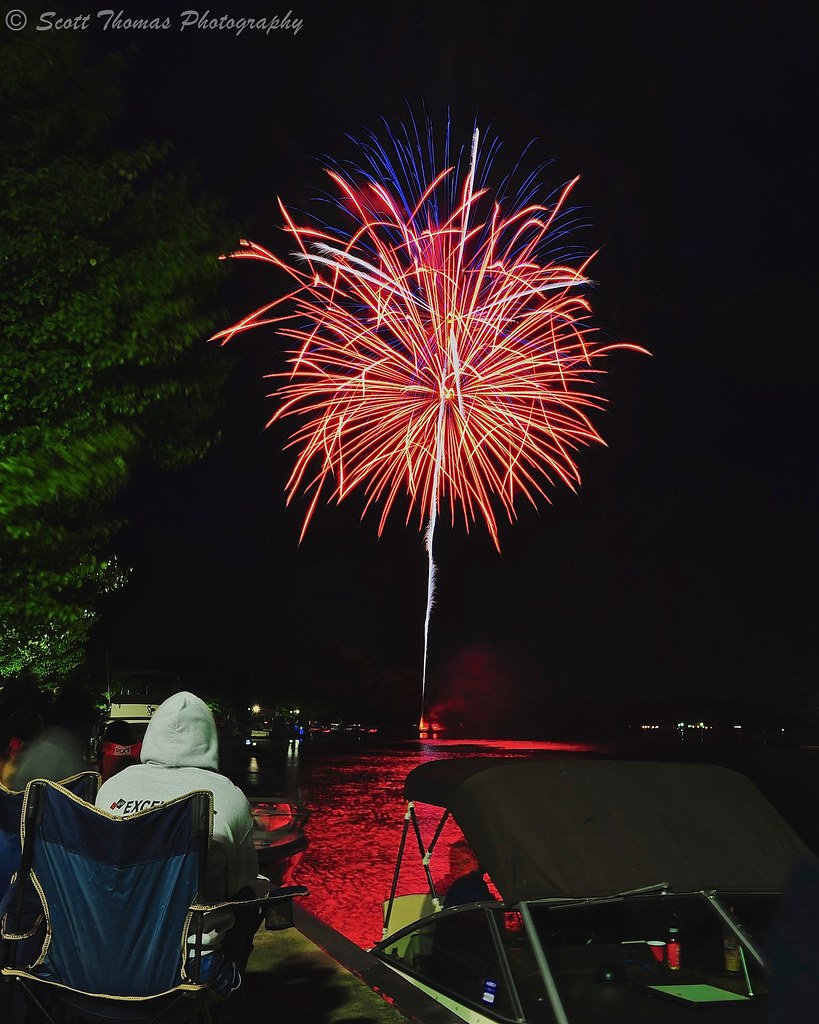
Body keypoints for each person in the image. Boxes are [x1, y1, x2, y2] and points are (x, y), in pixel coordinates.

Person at [95, 691, 264, 988]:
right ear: (209, 739)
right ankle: (226, 995)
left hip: (100, 957)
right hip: (187, 969)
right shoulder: (227, 795)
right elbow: (241, 880)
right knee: (251, 895)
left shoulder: (112, 788)